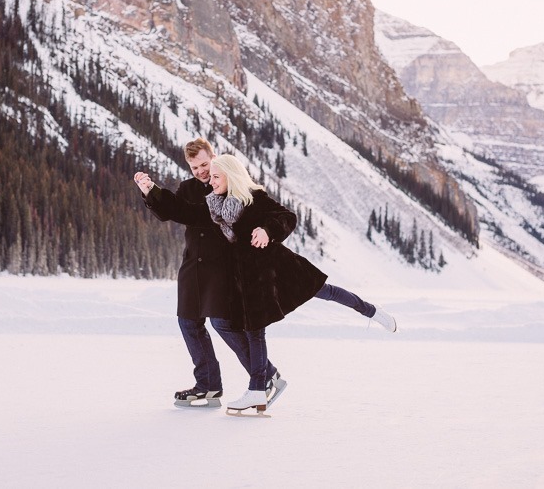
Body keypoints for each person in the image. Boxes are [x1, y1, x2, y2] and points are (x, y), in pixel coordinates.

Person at [141, 153, 397, 415]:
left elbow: (287, 216)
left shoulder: (254, 197)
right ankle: (258, 389)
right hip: (250, 278)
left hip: (279, 266)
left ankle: (372, 311)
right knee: (254, 328)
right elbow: (184, 211)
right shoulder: (214, 206)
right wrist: (151, 190)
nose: (211, 181)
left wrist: (268, 230)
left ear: (231, 176)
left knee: (326, 292)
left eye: (216, 176)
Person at [134, 138, 285, 408]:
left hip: (221, 266)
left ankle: (266, 374)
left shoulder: (229, 184)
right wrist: (150, 191)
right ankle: (208, 385)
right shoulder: (187, 188)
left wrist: (267, 232)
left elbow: (198, 214)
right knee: (188, 322)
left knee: (221, 323)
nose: (201, 172)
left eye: (204, 164)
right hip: (193, 264)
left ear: (213, 156)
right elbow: (176, 211)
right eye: (194, 167)